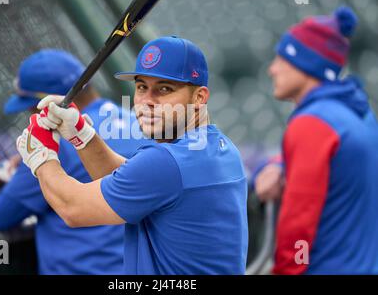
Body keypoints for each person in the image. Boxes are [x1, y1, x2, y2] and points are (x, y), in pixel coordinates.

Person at [15, 36, 249, 274]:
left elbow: (72, 208)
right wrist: (82, 135)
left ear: (199, 97)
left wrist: (41, 158)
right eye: (141, 87)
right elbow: (132, 180)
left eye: (164, 89)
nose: (146, 101)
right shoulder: (221, 148)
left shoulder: (165, 163)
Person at [0, 49, 146, 275]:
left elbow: (2, 216)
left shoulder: (56, 139)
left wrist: (16, 174)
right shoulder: (139, 123)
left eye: (32, 104)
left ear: (47, 101)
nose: (32, 111)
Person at [260, 6, 378, 274]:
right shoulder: (358, 111)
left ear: (306, 64)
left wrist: (285, 271)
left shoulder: (311, 125)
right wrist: (280, 164)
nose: (272, 69)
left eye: (281, 59)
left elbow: (298, 225)